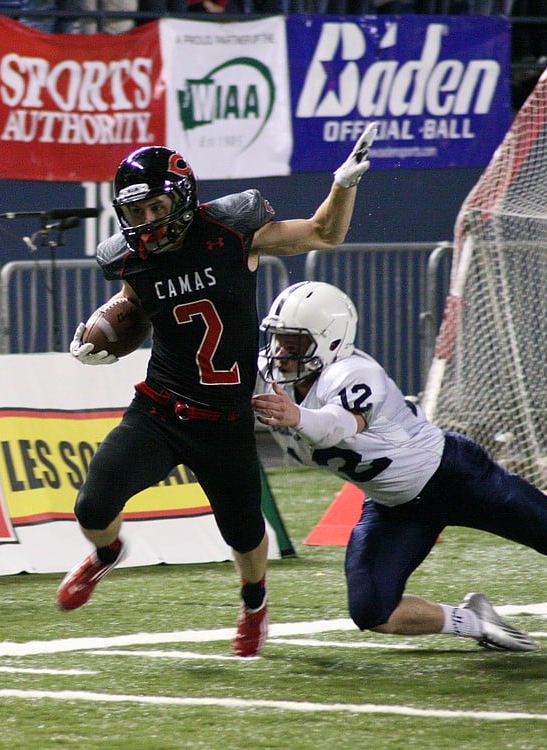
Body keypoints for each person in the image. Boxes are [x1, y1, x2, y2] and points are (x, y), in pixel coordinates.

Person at [57, 122, 379, 658]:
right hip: (160, 408)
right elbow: (136, 309)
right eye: (135, 213)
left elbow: (324, 233)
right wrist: (100, 338)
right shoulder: (132, 258)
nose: (146, 222)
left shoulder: (233, 230)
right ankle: (106, 553)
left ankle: (254, 604)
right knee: (92, 506)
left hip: (224, 418)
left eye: (155, 208)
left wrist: (342, 185)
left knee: (245, 531)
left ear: (180, 199)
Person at [251, 281, 546, 651]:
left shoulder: (355, 374)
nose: (280, 354)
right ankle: (475, 621)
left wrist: (296, 416)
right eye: (278, 341)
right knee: (371, 610)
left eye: (294, 345)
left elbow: (336, 426)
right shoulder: (267, 374)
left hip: (455, 477)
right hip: (394, 506)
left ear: (330, 341)